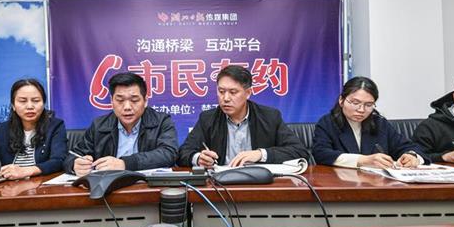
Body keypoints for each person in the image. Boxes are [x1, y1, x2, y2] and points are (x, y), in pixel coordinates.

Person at [178, 65, 308, 167]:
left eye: (233, 92)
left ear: (248, 93)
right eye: (221, 91)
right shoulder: (207, 119)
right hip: (221, 183)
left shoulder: (270, 117)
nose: (226, 98)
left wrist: (260, 154)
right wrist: (198, 158)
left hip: (259, 184)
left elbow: (299, 151)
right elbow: (183, 153)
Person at [65, 72, 178, 176]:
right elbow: (72, 156)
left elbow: (168, 154)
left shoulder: (161, 121)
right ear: (112, 101)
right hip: (109, 188)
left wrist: (125, 164)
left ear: (145, 101)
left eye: (134, 100)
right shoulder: (99, 125)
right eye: (120, 100)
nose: (127, 107)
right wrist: (75, 165)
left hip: (146, 187)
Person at [312, 76, 427, 168]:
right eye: (355, 103)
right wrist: (363, 160)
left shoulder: (379, 123)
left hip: (377, 183)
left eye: (368, 105)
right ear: (341, 100)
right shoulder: (327, 123)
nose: (361, 110)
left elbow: (408, 146)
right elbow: (321, 154)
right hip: (342, 183)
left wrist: (412, 156)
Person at [0, 79, 67, 180]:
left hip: (43, 184)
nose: (30, 106)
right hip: (10, 186)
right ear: (13, 105)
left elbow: (59, 160)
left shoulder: (55, 126)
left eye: (36, 101)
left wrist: (27, 171)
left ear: (43, 104)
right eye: (23, 101)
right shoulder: (2, 129)